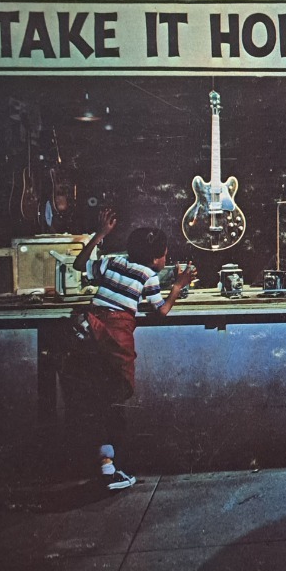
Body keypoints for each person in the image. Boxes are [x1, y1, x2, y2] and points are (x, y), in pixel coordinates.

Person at [69, 207, 196, 491]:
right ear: (155, 259)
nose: (165, 259)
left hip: (90, 331)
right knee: (112, 403)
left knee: (99, 403)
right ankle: (108, 471)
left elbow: (80, 264)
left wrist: (100, 234)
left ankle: (106, 466)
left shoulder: (113, 261)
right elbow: (161, 311)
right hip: (114, 339)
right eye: (164, 255)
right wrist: (178, 286)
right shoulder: (148, 276)